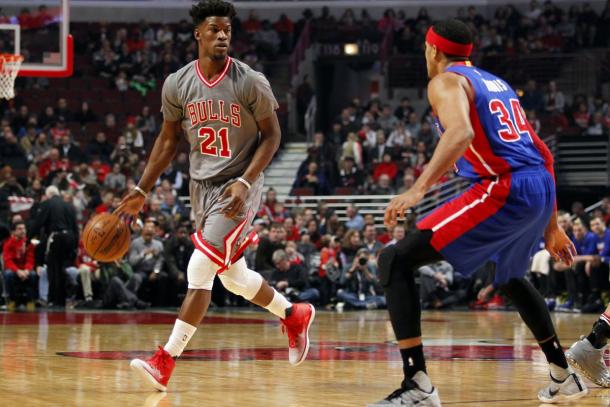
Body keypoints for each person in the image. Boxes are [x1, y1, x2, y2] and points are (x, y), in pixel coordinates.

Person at [369, 20, 587, 406]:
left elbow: (460, 134)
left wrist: (417, 189)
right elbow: (545, 153)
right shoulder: (496, 84)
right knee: (507, 275)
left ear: (433, 50)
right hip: (536, 183)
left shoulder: (445, 82)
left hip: (503, 186)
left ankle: (417, 384)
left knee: (394, 260)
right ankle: (562, 374)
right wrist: (551, 226)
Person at [117, 0, 314, 392]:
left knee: (200, 267)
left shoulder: (250, 80)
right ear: (198, 34)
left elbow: (273, 135)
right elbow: (168, 140)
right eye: (214, 29)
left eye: (227, 30)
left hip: (239, 185)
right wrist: (142, 188)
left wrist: (247, 179)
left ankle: (166, 360)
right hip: (201, 187)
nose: (222, 35)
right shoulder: (177, 83)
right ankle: (293, 314)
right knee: (234, 278)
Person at [29, 186, 78, 307]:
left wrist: (29, 237)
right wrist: (75, 244)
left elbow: (38, 222)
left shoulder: (48, 203)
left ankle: (55, 299)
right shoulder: (69, 206)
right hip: (70, 238)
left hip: (56, 238)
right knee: (62, 267)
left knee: (53, 268)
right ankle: (63, 294)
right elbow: (75, 227)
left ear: (49, 194)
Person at [2, 221, 38, 311]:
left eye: (24, 228)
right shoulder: (8, 243)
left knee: (33, 275)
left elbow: (31, 259)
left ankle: (31, 300)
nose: (23, 231)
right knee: (8, 274)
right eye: (19, 229)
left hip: (24, 270)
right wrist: (18, 271)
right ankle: (12, 300)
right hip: (14, 270)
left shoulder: (29, 243)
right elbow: (8, 261)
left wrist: (26, 270)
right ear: (13, 232)